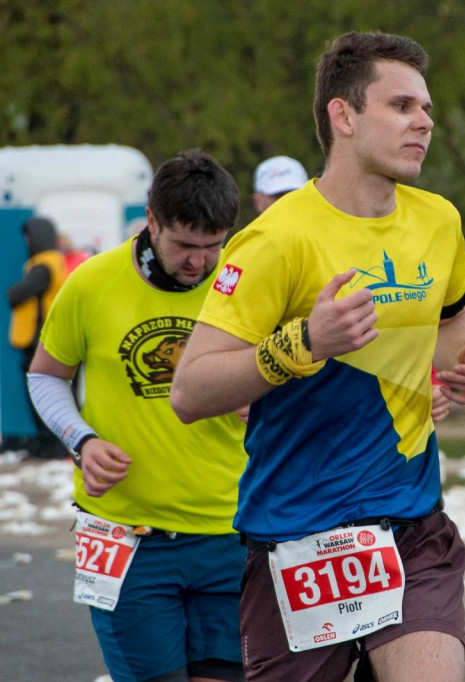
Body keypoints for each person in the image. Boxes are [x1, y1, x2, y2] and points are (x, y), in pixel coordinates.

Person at [170, 32, 465, 682]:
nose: (425, 122)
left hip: (411, 521)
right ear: (343, 117)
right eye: (402, 105)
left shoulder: (438, 222)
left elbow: (453, 317)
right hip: (299, 533)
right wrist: (305, 345)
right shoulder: (276, 239)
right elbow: (192, 390)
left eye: (427, 108)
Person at [27, 149, 247, 682]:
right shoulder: (91, 283)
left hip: (233, 535)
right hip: (128, 538)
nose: (199, 262)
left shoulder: (245, 287)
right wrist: (81, 440)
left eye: (213, 246)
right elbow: (45, 375)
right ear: (151, 220)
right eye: (184, 246)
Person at [253, 154, 452, 425]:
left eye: (293, 193)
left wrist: (430, 382)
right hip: (288, 433)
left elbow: (392, 324)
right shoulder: (249, 255)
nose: (286, 202)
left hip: (362, 428)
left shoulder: (336, 245)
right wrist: (245, 389)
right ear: (258, 201)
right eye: (277, 196)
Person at [6, 215, 68, 458]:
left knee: (40, 393)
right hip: (39, 338)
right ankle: (47, 443)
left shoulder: (44, 265)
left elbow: (18, 293)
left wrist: (12, 293)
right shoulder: (53, 261)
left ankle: (50, 444)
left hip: (37, 338)